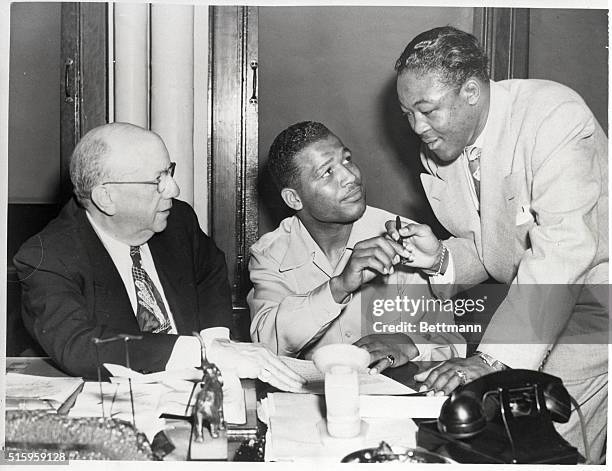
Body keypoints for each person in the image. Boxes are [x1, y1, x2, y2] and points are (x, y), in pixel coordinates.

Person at [389, 26, 607, 459]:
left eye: (427, 110)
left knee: (549, 440)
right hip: (542, 301)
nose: (418, 127)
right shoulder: (443, 145)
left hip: (599, 298)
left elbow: (563, 251)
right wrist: (441, 260)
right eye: (407, 114)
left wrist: (490, 360)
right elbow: (494, 248)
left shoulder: (553, 115)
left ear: (471, 90)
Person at [14, 122, 304, 392]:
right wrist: (204, 353)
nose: (174, 189)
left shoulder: (177, 220)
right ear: (106, 197)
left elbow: (210, 272)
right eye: (157, 180)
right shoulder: (47, 257)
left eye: (169, 172)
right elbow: (78, 345)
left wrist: (218, 341)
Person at [248, 121, 465, 374]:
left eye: (347, 160)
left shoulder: (406, 239)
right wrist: (338, 287)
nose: (351, 177)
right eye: (327, 172)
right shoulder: (270, 254)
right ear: (294, 198)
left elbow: (451, 343)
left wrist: (411, 345)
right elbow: (266, 346)